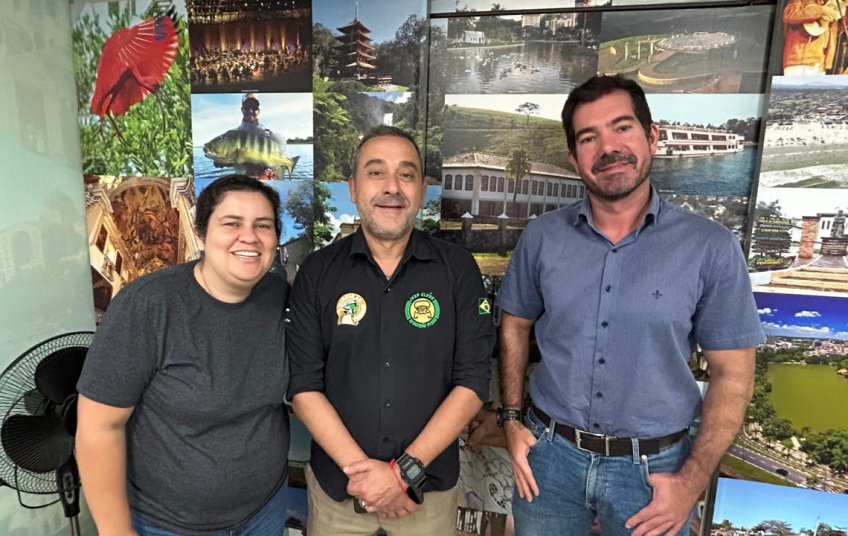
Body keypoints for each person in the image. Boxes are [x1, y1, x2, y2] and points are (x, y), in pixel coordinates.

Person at [496, 75, 765, 536]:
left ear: (652, 137)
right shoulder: (542, 236)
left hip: (653, 475)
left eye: (622, 128)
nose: (608, 147)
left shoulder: (711, 247)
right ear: (574, 158)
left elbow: (733, 376)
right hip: (548, 461)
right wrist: (510, 419)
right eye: (588, 137)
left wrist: (691, 483)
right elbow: (514, 326)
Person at [287, 125, 495, 535]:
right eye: (376, 172)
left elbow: (473, 381)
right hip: (339, 492)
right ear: (352, 187)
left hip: (427, 495)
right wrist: (369, 479)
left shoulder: (457, 269)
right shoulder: (317, 271)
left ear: (422, 189)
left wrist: (402, 474)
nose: (392, 187)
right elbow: (304, 386)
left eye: (406, 174)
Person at [76, 175, 291, 536]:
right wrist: (115, 530)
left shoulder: (277, 295)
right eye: (232, 223)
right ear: (201, 234)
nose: (249, 237)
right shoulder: (148, 305)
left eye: (263, 225)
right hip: (168, 524)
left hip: (264, 509)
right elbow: (98, 428)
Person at [782, 0, 846, 75]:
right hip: (800, 62)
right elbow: (789, 13)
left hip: (821, 63)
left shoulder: (833, 3)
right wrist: (821, 10)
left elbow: (835, 31)